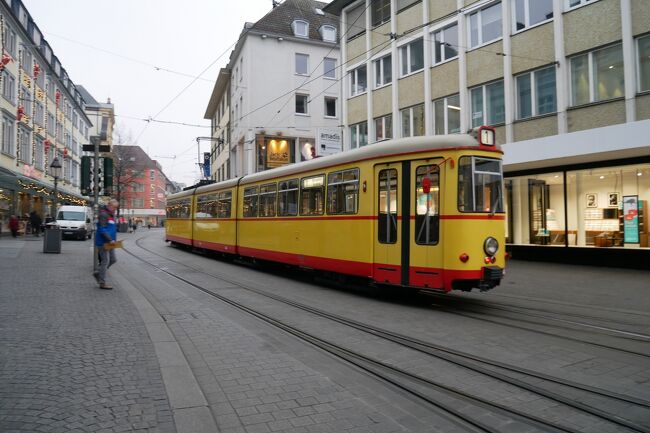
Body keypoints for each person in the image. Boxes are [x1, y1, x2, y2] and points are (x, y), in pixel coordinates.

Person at [94, 199, 119, 289]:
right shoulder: (103, 214)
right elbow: (102, 229)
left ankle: (99, 273)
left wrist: (113, 240)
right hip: (103, 242)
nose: (115, 209)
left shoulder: (111, 215)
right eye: (114, 207)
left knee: (113, 260)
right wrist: (109, 239)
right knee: (105, 261)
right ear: (110, 205)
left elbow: (111, 229)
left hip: (110, 242)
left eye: (116, 208)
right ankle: (102, 282)